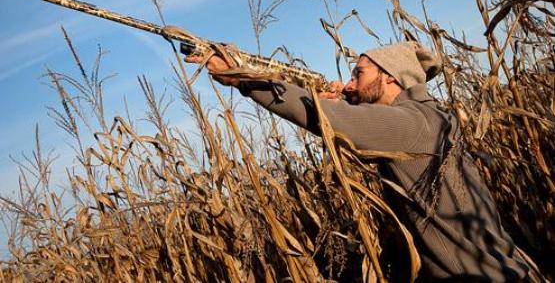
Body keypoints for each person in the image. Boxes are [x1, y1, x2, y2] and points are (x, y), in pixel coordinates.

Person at [185, 41, 530, 282]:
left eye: (358, 74)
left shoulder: (411, 124)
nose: (349, 83)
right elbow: (367, 125)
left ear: (390, 77)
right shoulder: (429, 115)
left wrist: (244, 77)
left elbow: (325, 120)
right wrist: (346, 103)